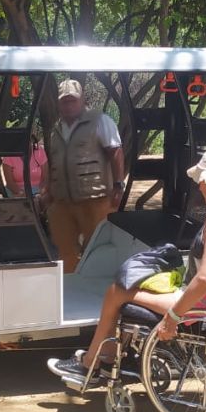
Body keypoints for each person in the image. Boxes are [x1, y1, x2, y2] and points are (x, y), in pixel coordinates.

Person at [47, 146, 206, 382]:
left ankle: (90, 364)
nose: (199, 186)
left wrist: (173, 317)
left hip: (201, 310)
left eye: (201, 180)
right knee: (135, 284)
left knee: (116, 292)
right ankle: (106, 356)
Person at [41, 79, 125, 273]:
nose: (69, 105)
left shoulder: (100, 121)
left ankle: (96, 283)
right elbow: (54, 162)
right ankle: (69, 284)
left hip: (95, 200)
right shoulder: (56, 129)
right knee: (63, 247)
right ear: (58, 104)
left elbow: (116, 152)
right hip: (62, 200)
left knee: (96, 247)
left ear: (82, 100)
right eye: (65, 101)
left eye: (73, 100)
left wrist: (118, 185)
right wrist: (48, 191)